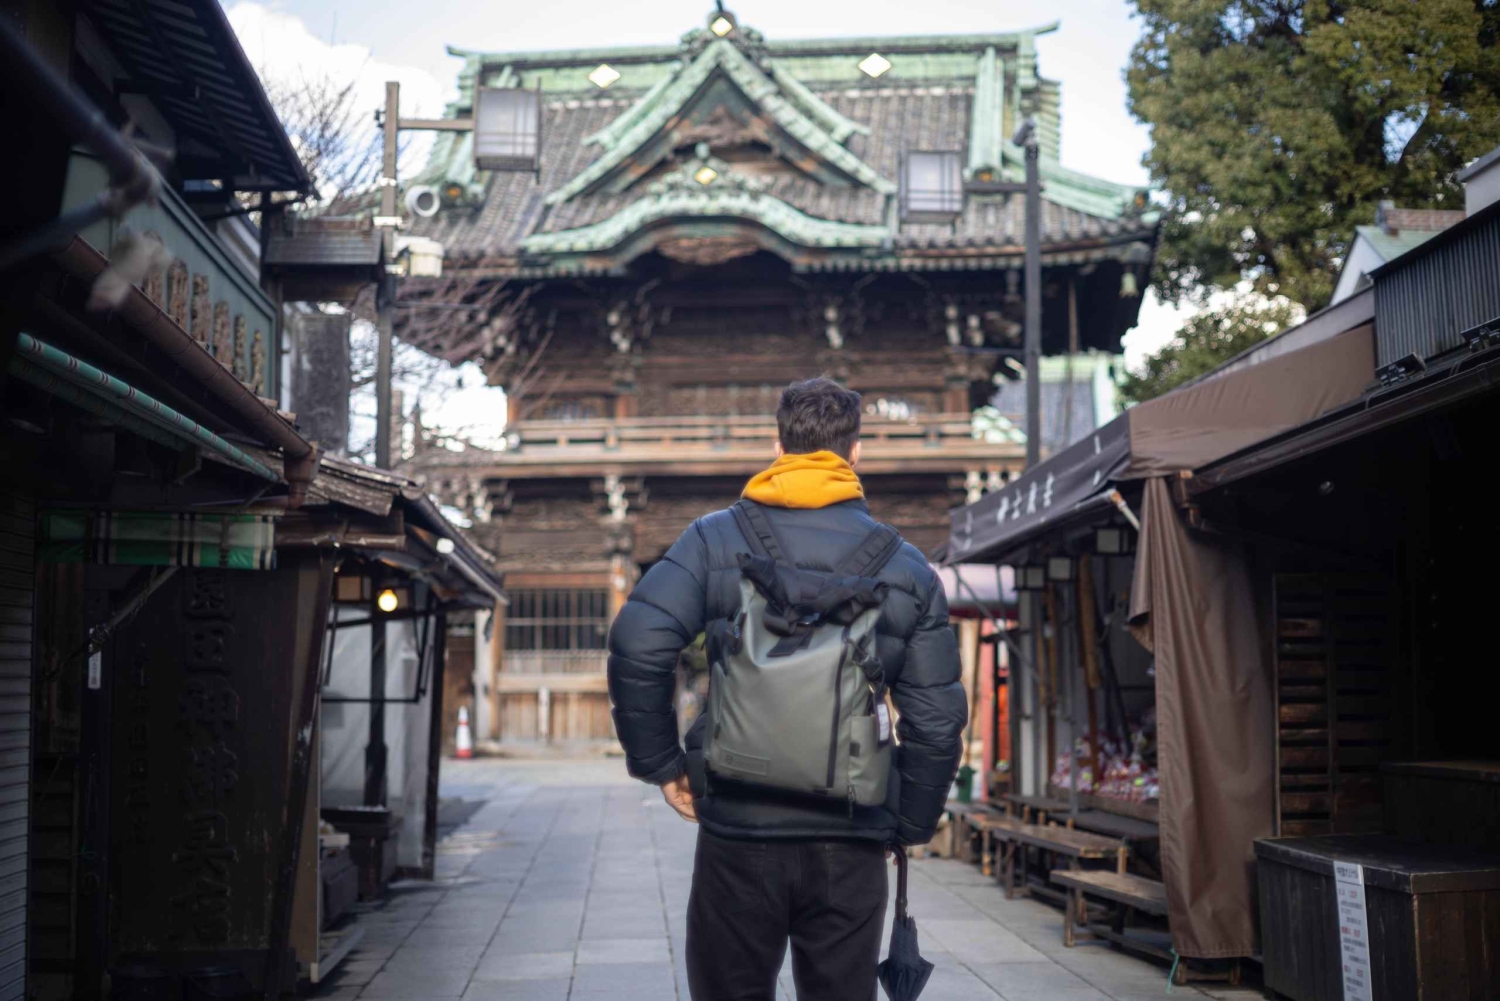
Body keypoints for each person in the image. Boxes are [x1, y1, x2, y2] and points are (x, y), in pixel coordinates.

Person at [607, 377, 967, 1001]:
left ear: (778, 446)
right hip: (851, 834)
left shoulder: (713, 539)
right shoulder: (906, 566)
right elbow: (934, 720)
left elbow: (638, 642)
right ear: (855, 455)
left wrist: (662, 765)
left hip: (738, 828)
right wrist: (907, 823)